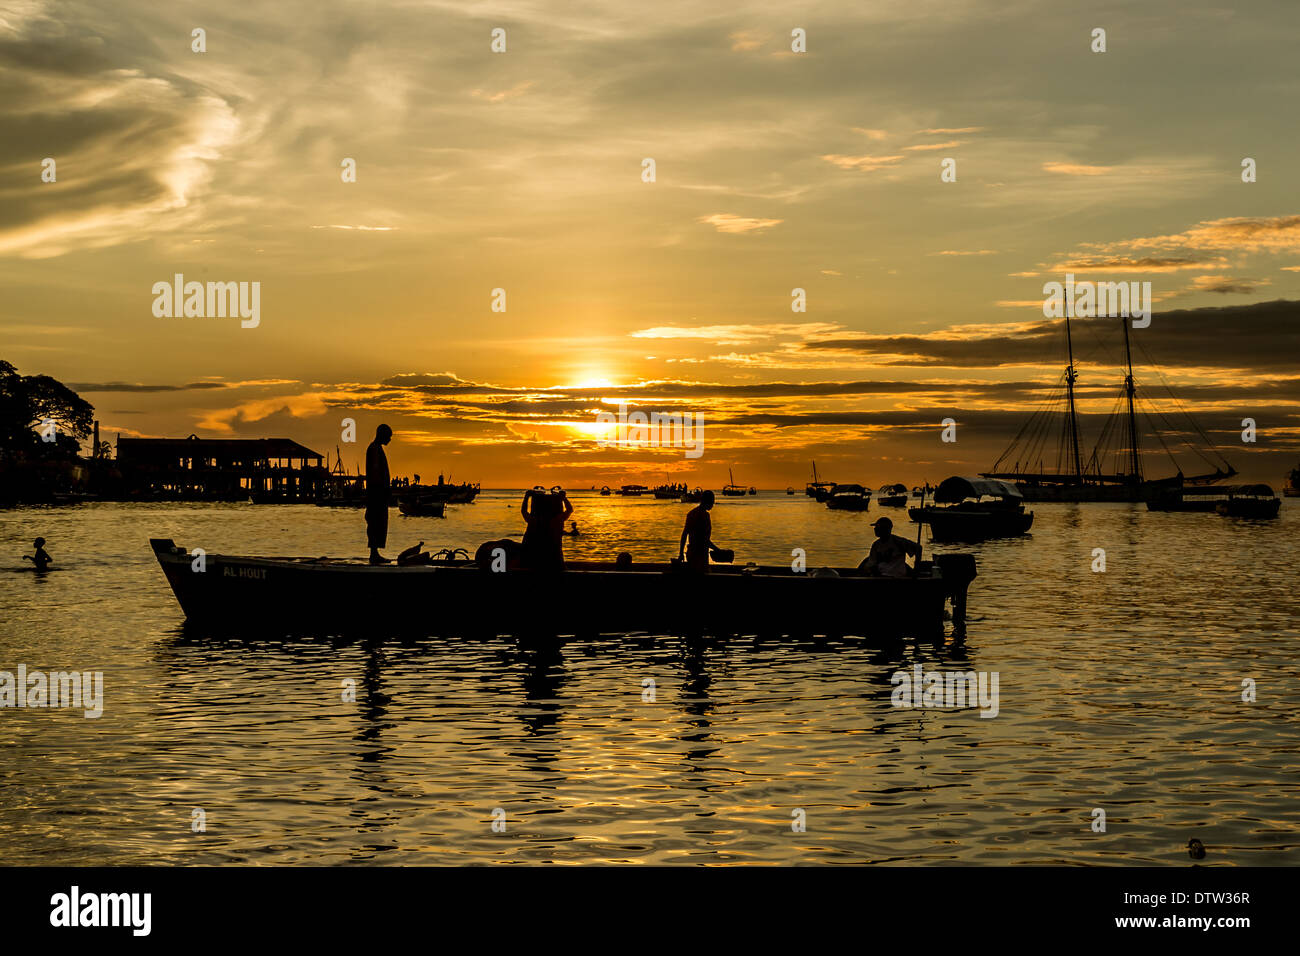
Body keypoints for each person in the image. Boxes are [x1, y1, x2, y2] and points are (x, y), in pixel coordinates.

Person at [521, 487, 572, 571]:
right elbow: (569, 509)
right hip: (555, 562)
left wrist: (526, 497)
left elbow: (524, 511)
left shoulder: (535, 520)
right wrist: (564, 498)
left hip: (535, 562)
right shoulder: (557, 520)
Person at [365, 424, 393, 564]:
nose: (390, 439)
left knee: (379, 523)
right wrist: (381, 491)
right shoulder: (374, 449)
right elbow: (375, 473)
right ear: (382, 434)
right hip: (376, 494)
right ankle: (374, 554)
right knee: (375, 523)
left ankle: (375, 553)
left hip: (378, 494)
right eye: (389, 436)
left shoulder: (377, 448)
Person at [678, 489, 723, 571]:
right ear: (707, 501)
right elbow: (704, 540)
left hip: (691, 554)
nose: (713, 504)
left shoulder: (691, 514)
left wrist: (681, 553)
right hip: (700, 556)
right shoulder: (705, 516)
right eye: (712, 501)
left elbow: (684, 534)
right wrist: (718, 550)